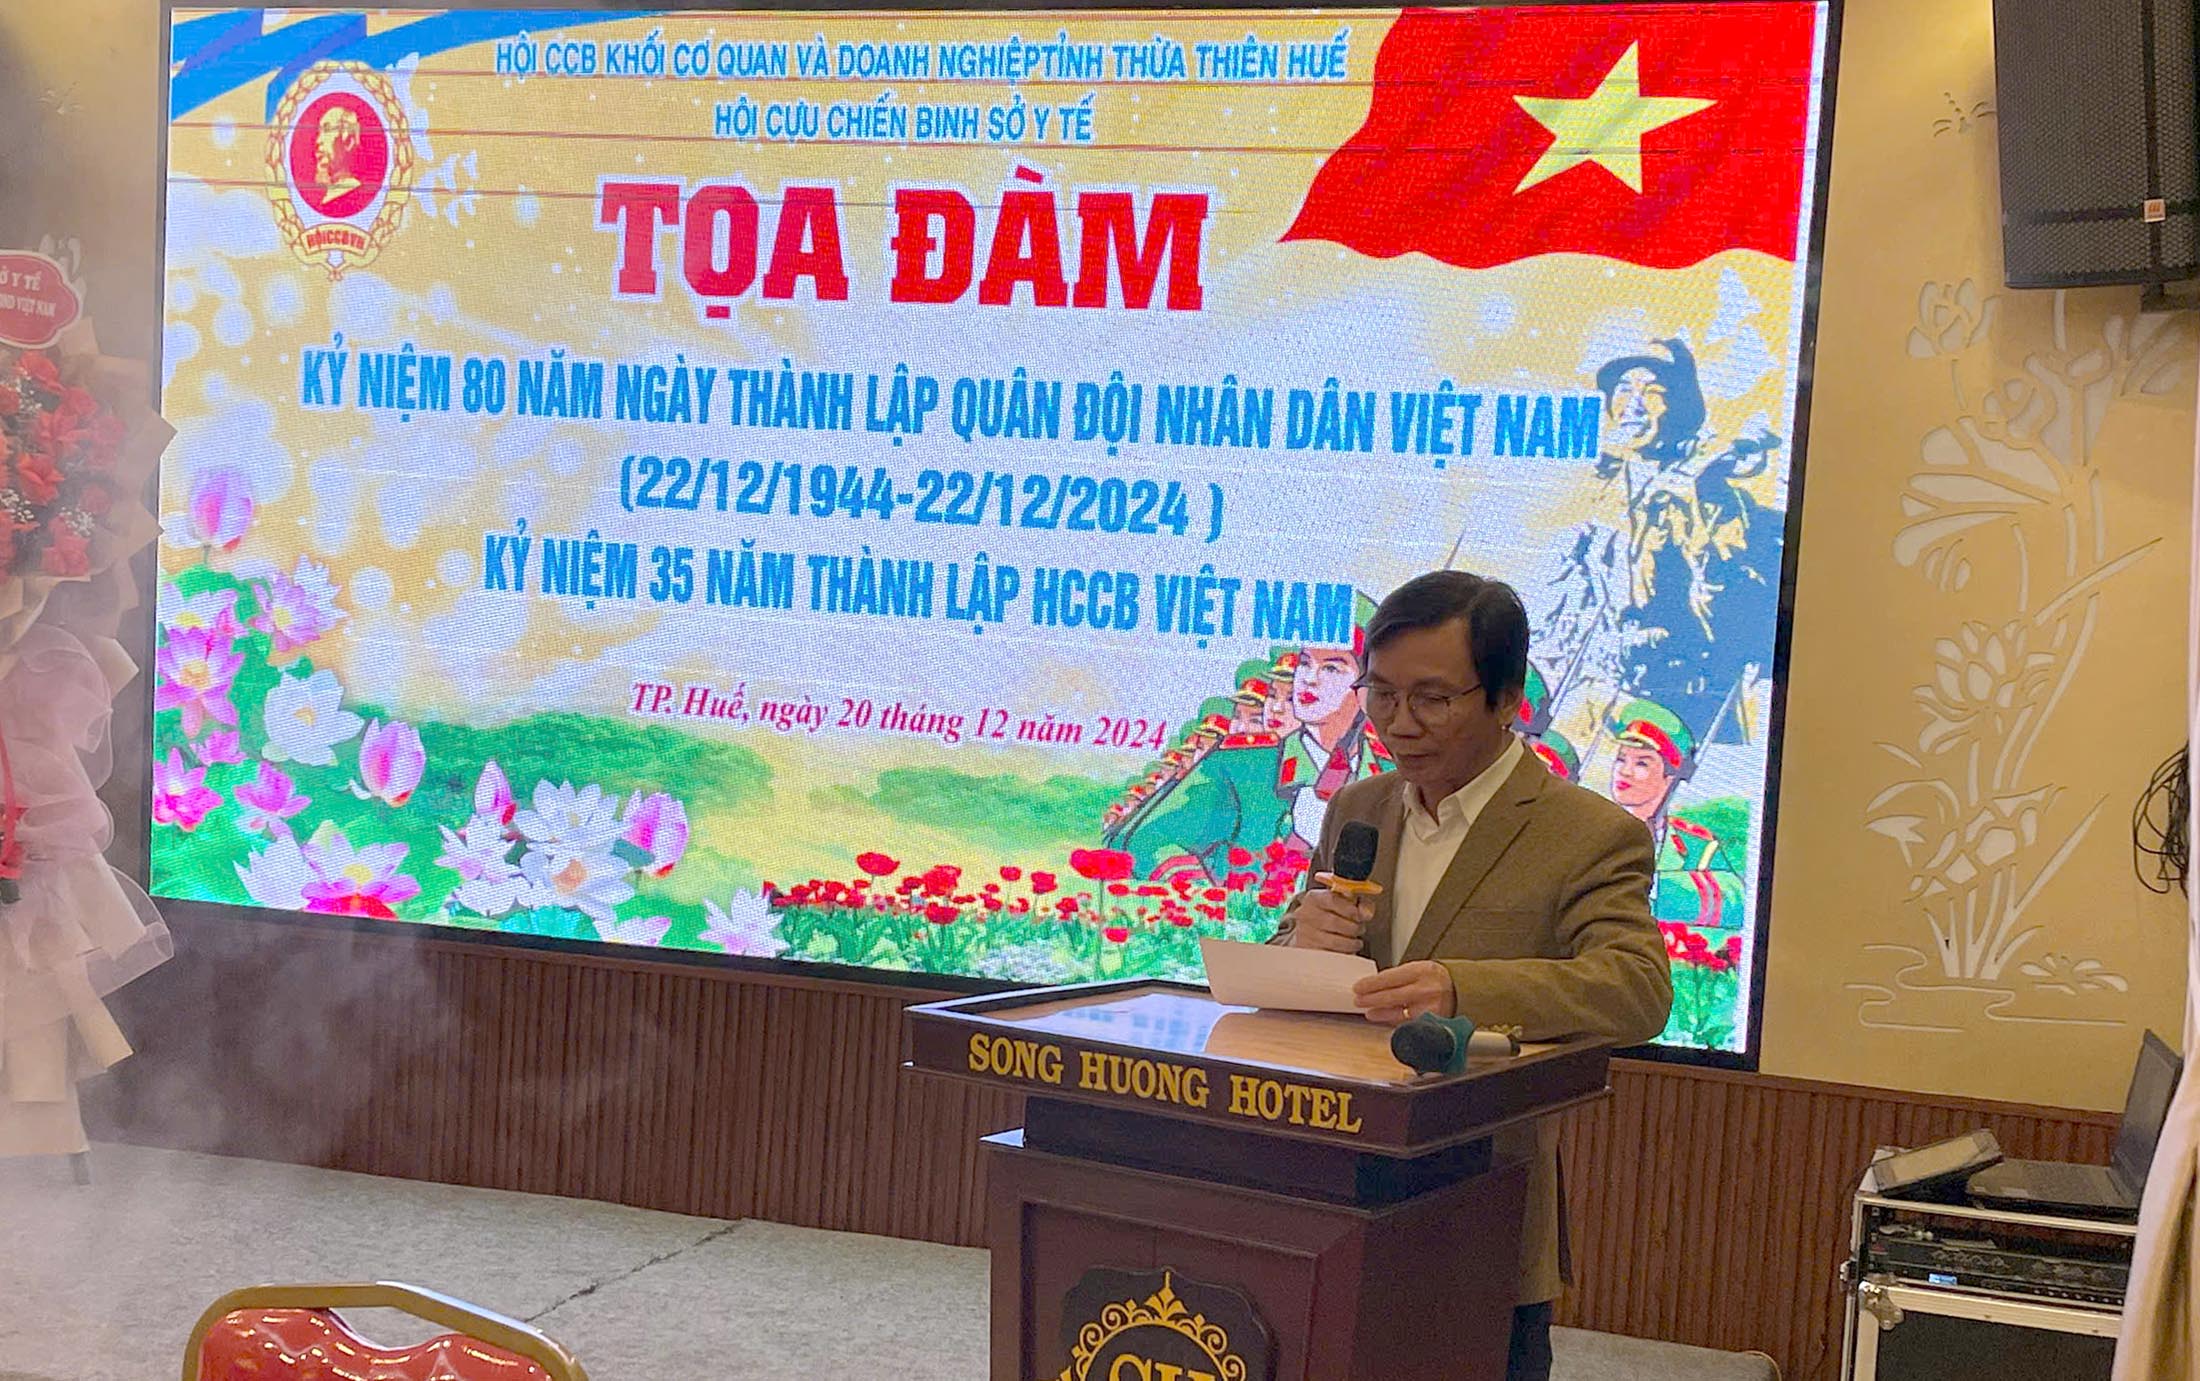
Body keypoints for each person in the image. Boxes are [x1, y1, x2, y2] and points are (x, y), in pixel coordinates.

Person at [1270, 570, 1673, 1381]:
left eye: (1432, 699)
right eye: (1382, 694)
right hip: (1326, 1197)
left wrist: (1461, 987)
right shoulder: (1359, 807)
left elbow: (1637, 987)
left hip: (1479, 1217)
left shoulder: (1587, 833)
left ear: (1507, 698)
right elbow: (1298, 955)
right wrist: (1297, 942)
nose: (1399, 723)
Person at [1608, 698, 1748, 932]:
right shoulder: (1586, 826)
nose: (1625, 771)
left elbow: (1735, 900)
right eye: (1621, 759)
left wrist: (1653, 888)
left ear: (1670, 776)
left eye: (1642, 763)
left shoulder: (1695, 845)